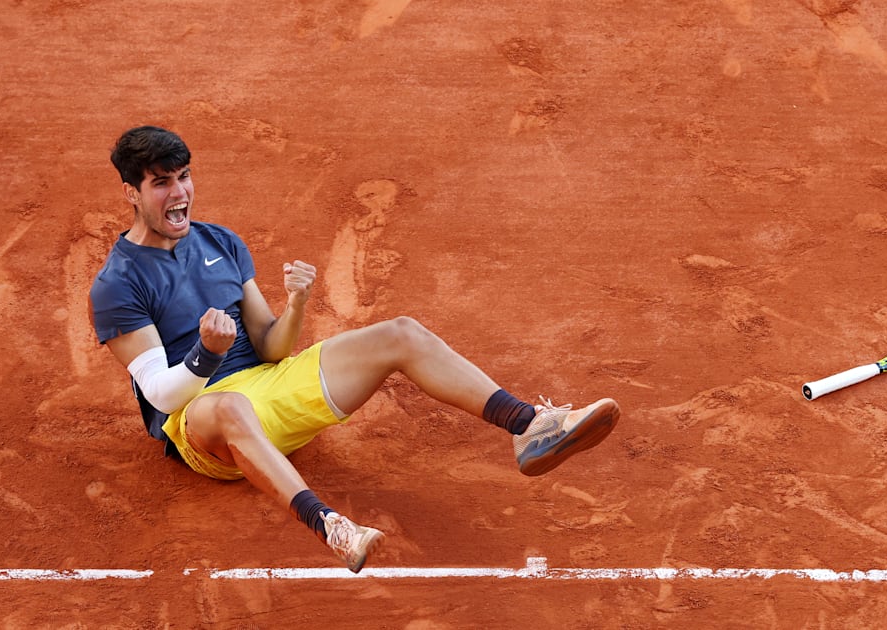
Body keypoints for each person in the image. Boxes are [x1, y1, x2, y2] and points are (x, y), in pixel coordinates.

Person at [89, 125, 620, 573]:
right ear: (131, 193)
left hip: (268, 391)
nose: (178, 193)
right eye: (161, 183)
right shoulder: (117, 285)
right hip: (203, 424)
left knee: (401, 333)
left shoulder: (220, 242)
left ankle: (528, 426)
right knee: (229, 405)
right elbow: (161, 397)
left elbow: (273, 349)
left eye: (183, 177)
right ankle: (331, 527)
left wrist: (295, 304)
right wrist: (204, 354)